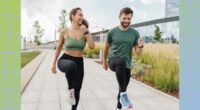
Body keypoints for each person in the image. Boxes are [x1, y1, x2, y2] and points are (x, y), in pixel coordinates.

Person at [51, 7, 95, 110]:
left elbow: (92, 47)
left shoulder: (85, 31)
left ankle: (73, 107)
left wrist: (87, 33)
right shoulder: (64, 32)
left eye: (82, 15)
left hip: (79, 62)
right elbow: (58, 48)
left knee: (78, 90)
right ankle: (70, 89)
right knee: (71, 66)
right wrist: (53, 63)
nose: (82, 17)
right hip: (65, 60)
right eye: (80, 15)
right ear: (73, 16)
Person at [103, 7, 144, 110]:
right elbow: (106, 47)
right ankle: (124, 97)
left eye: (129, 19)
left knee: (123, 88)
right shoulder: (112, 32)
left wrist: (141, 46)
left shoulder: (134, 33)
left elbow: (138, 53)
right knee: (120, 62)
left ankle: (118, 107)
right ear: (119, 17)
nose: (126, 21)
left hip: (127, 64)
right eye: (124, 18)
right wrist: (104, 62)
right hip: (113, 61)